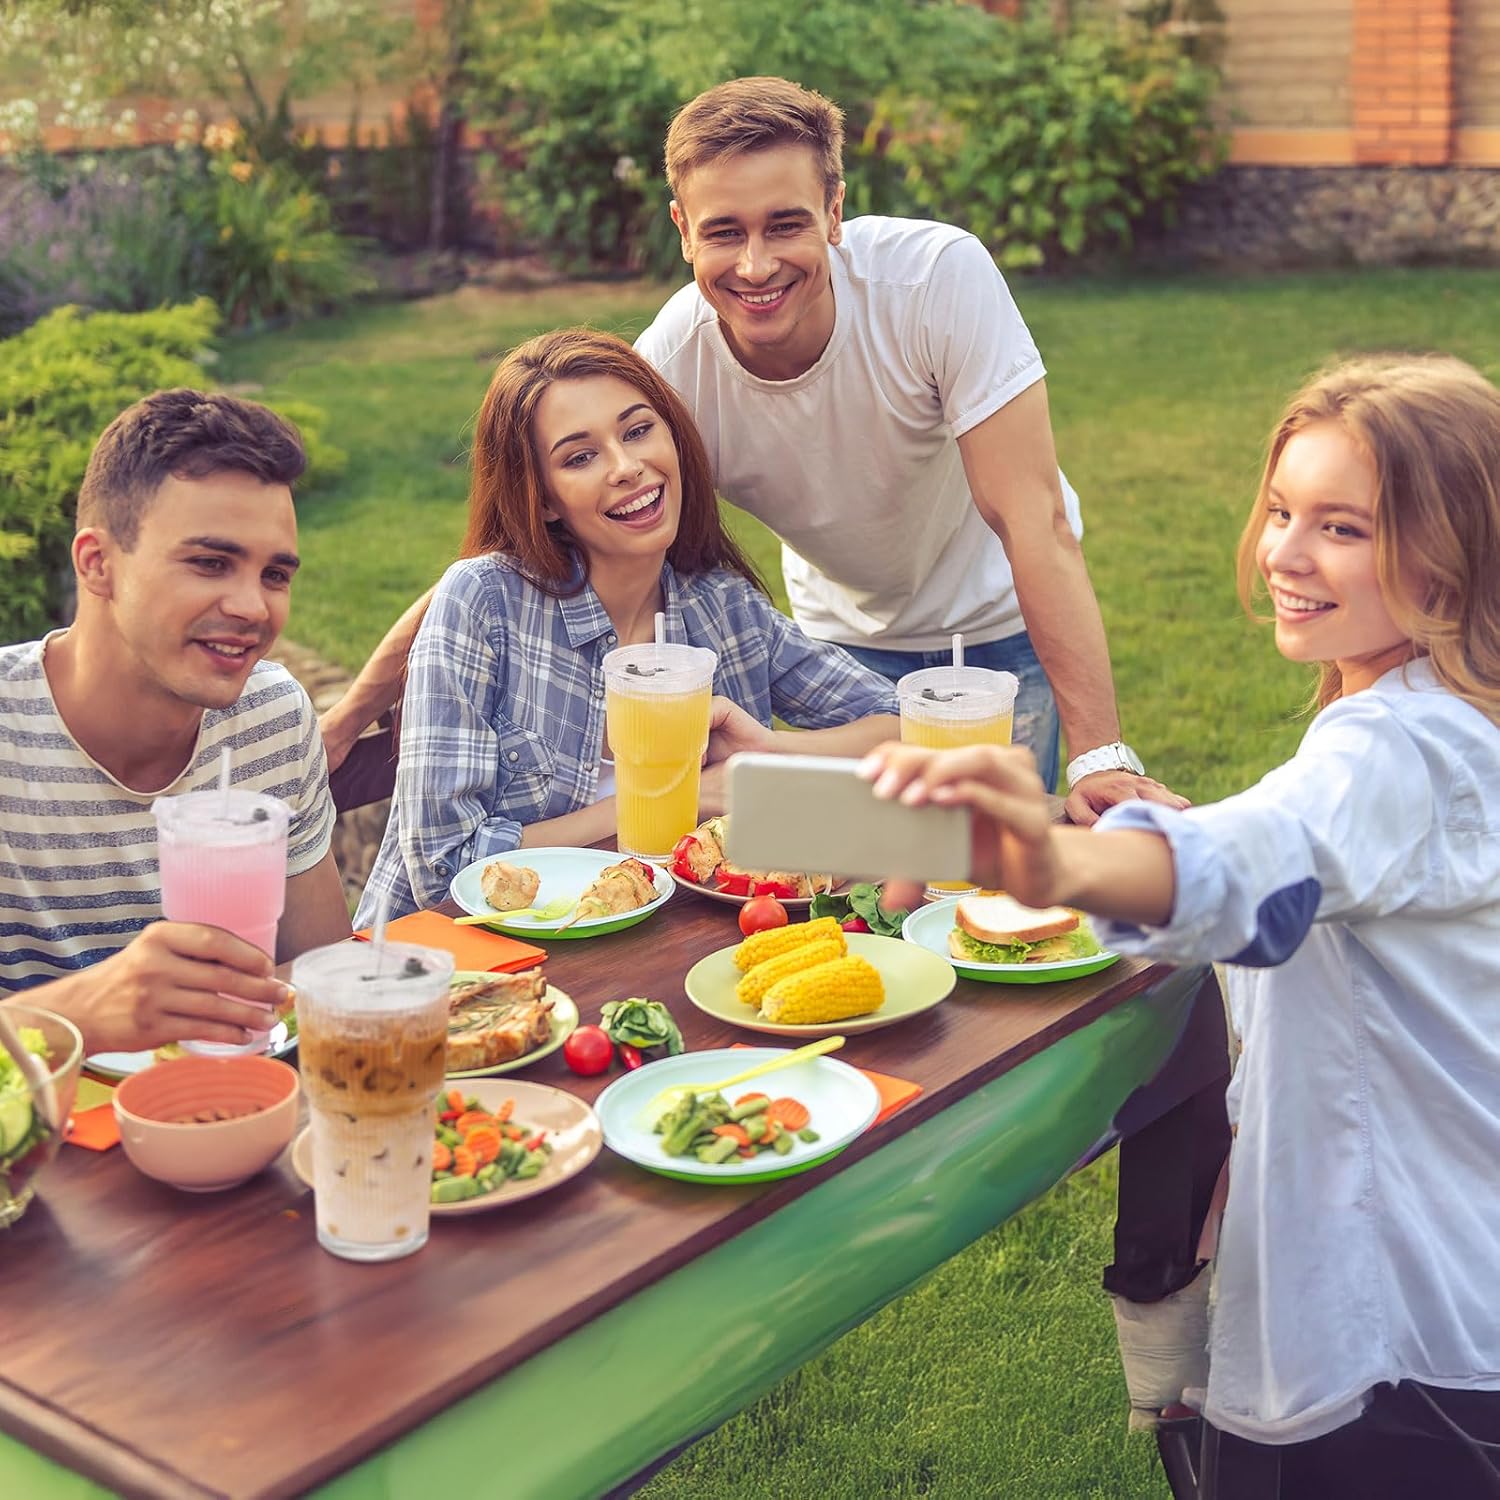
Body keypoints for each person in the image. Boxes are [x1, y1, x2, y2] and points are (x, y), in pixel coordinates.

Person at [863, 354, 1500, 1497]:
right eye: (1285, 510)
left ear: (1449, 563)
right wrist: (1185, 826)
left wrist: (1049, 857)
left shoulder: (1396, 746)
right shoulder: (1454, 715)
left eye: (1343, 529)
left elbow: (1259, 872)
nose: (1285, 554)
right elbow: (1317, 872)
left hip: (1393, 1333)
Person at [320, 76, 1187, 827]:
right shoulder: (667, 372)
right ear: (683, 230)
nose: (757, 263)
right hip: (837, 639)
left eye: (786, 224)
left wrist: (1098, 753)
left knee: (992, 868)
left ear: (837, 212)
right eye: (724, 231)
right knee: (863, 867)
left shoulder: (935, 282)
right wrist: (352, 713)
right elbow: (507, 558)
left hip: (1000, 625)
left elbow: (1029, 517)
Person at [354, 328, 901, 926]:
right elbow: (444, 865)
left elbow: (908, 731)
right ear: (543, 500)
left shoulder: (721, 607)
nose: (628, 467)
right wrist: (665, 800)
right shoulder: (485, 601)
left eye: (638, 431)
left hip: (666, 956)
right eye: (580, 457)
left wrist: (773, 755)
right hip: (456, 973)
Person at [0, 389, 352, 1055]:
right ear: (98, 564)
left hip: (242, 1120)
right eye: (210, 563)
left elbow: (322, 984)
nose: (253, 607)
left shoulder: (272, 718)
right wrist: (84, 1010)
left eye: (275, 574)